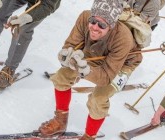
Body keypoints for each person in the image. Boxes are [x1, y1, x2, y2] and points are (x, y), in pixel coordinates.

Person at [36, 0, 144, 139]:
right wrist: (66, 55)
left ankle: (89, 136)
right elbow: (71, 44)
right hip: (92, 53)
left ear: (111, 26)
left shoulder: (123, 39)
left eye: (102, 24)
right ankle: (60, 121)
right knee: (62, 77)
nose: (94, 27)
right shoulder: (84, 17)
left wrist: (85, 70)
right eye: (93, 21)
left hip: (120, 65)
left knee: (98, 98)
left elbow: (105, 77)